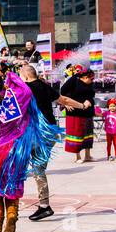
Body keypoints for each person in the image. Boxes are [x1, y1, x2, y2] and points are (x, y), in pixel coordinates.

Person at [0, 68, 60, 232]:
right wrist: (10, 75)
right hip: (17, 150)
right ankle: (12, 216)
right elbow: (24, 87)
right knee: (12, 187)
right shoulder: (18, 96)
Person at [20, 63, 82, 221]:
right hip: (50, 132)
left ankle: (43, 206)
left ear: (26, 76)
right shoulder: (43, 85)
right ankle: (43, 206)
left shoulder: (24, 88)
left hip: (38, 134)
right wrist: (81, 105)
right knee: (37, 169)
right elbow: (64, 99)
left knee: (33, 168)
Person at [59, 66, 96, 162]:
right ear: (84, 77)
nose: (92, 81)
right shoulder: (73, 81)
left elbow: (91, 95)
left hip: (87, 113)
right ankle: (78, 157)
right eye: (91, 79)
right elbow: (61, 92)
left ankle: (88, 156)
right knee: (77, 134)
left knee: (88, 134)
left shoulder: (90, 84)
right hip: (75, 113)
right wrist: (65, 104)